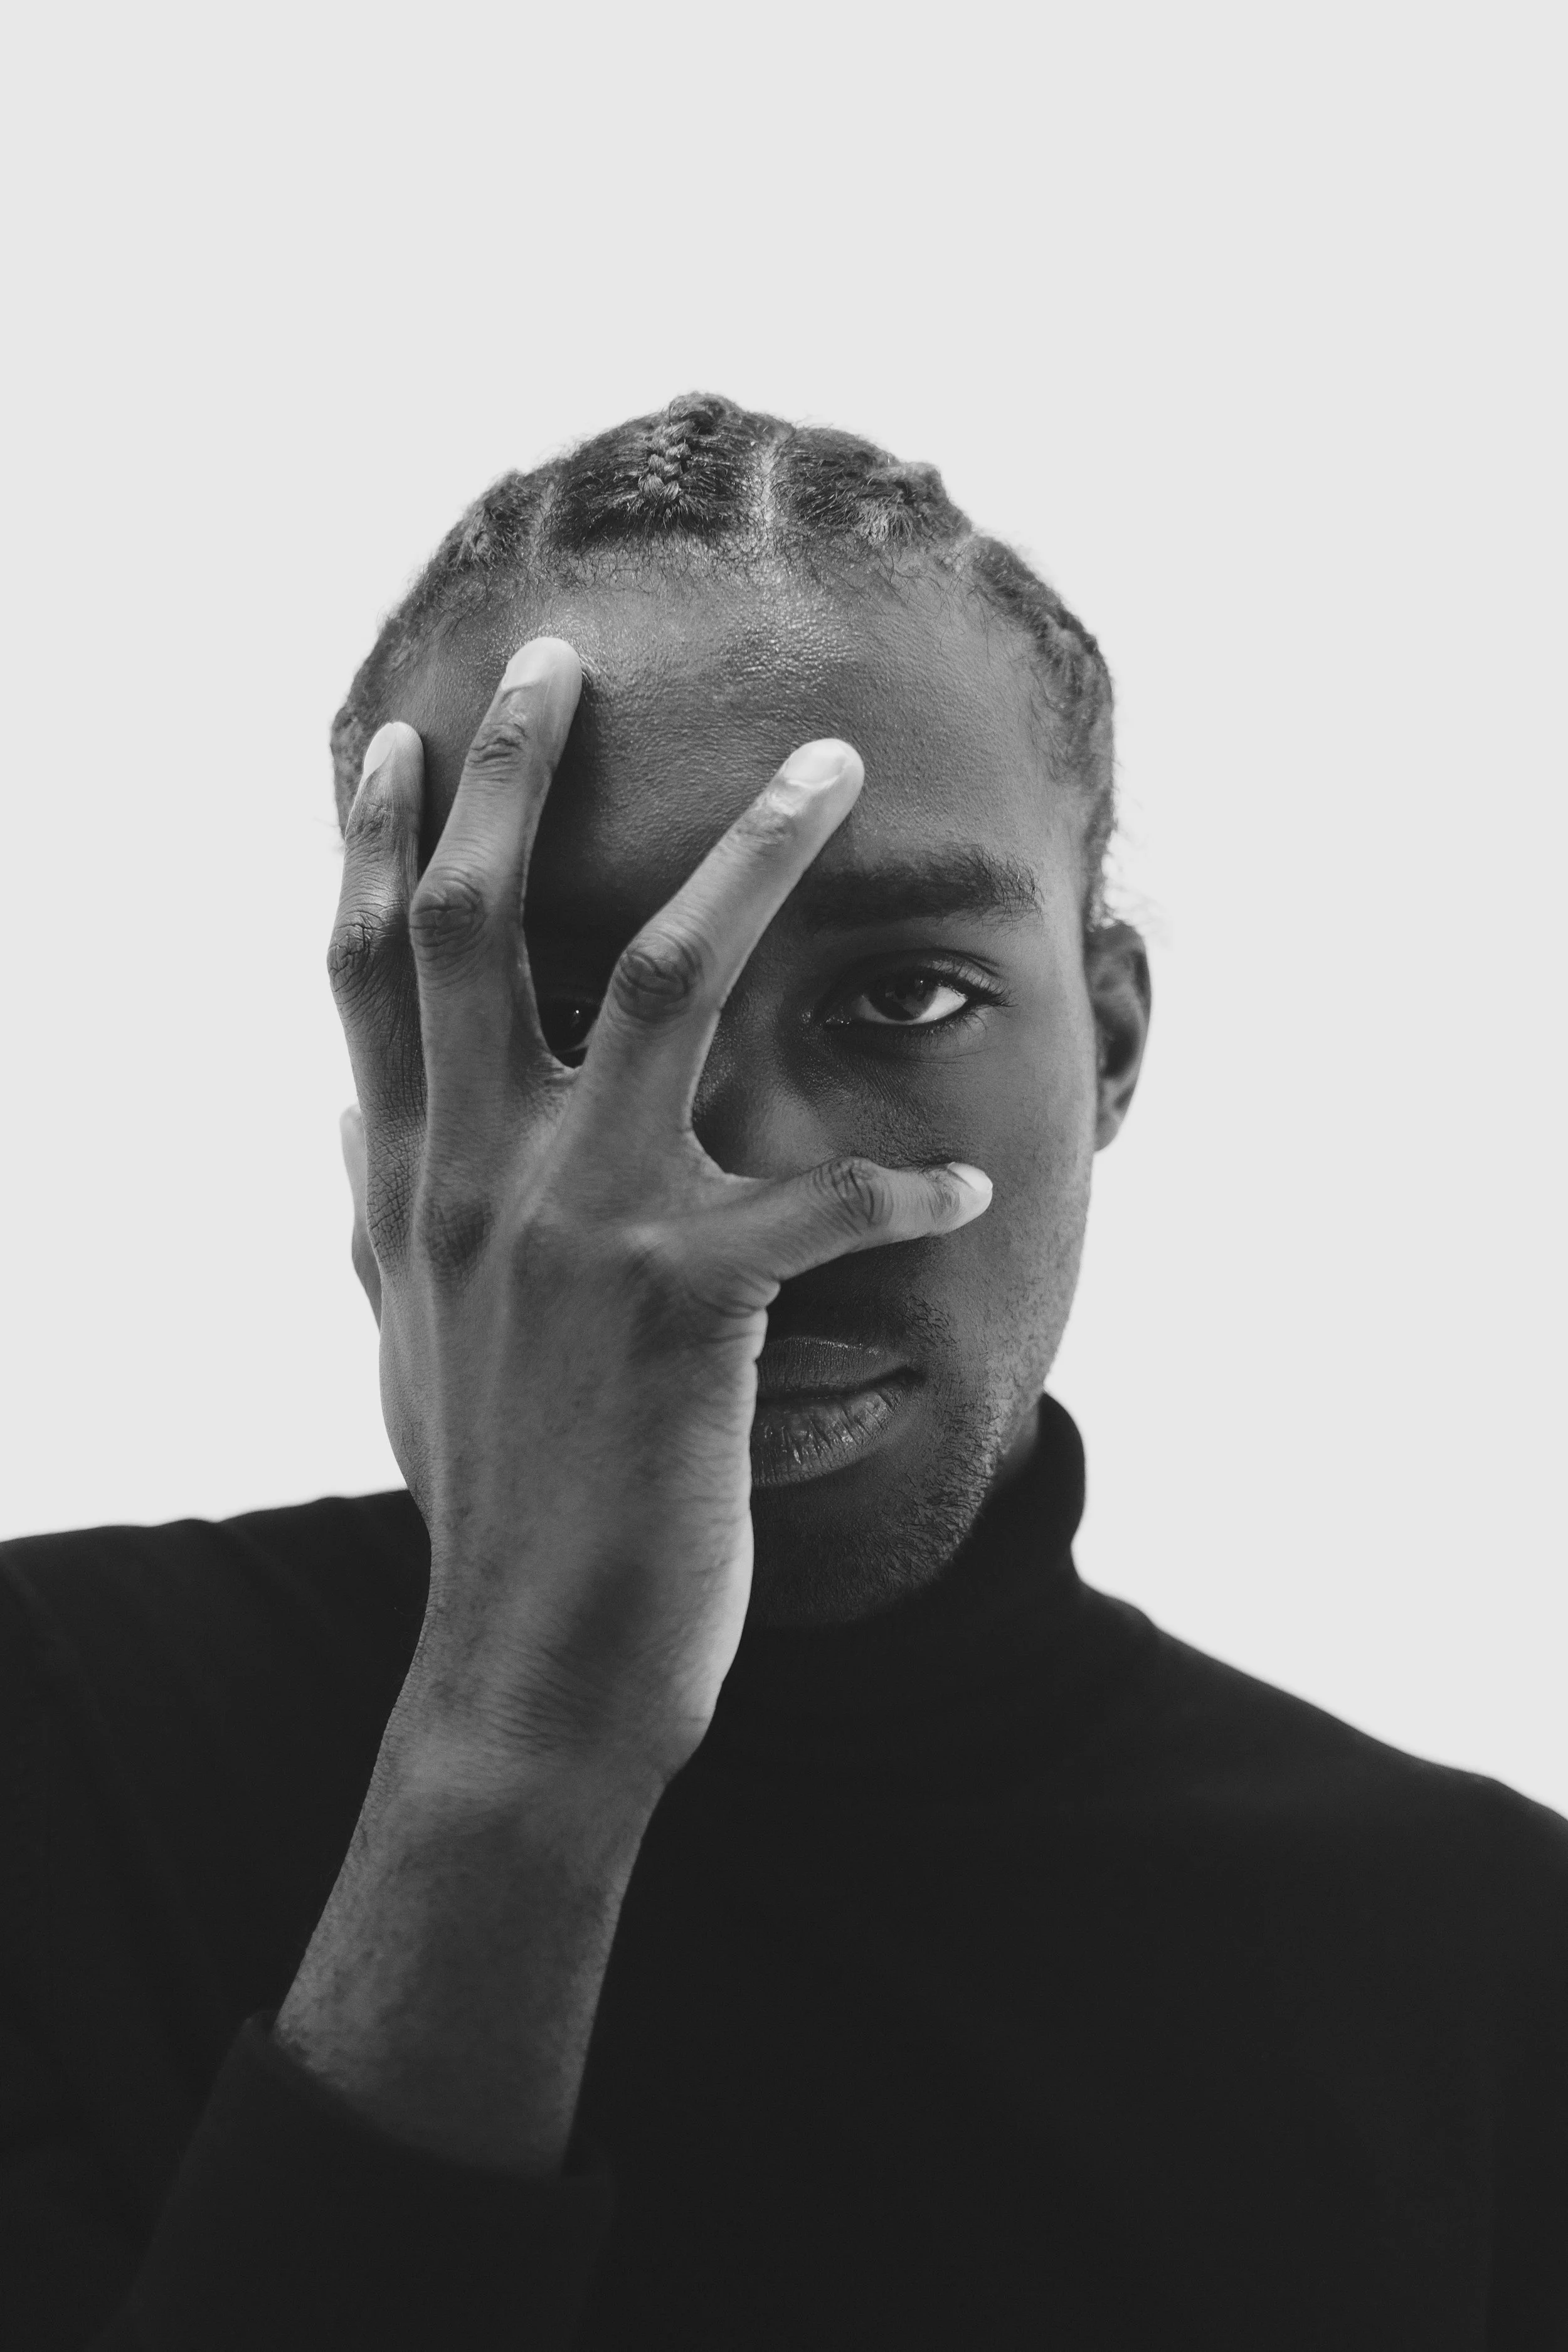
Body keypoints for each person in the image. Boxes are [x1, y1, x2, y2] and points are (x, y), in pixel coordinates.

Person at [1, 393, 1562, 2352]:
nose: (731, 1187)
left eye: (904, 994)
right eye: (574, 1017)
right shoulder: (47, 1744)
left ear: (1111, 1047)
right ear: (401, 1094)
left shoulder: (1484, 1969)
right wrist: (521, 1733)